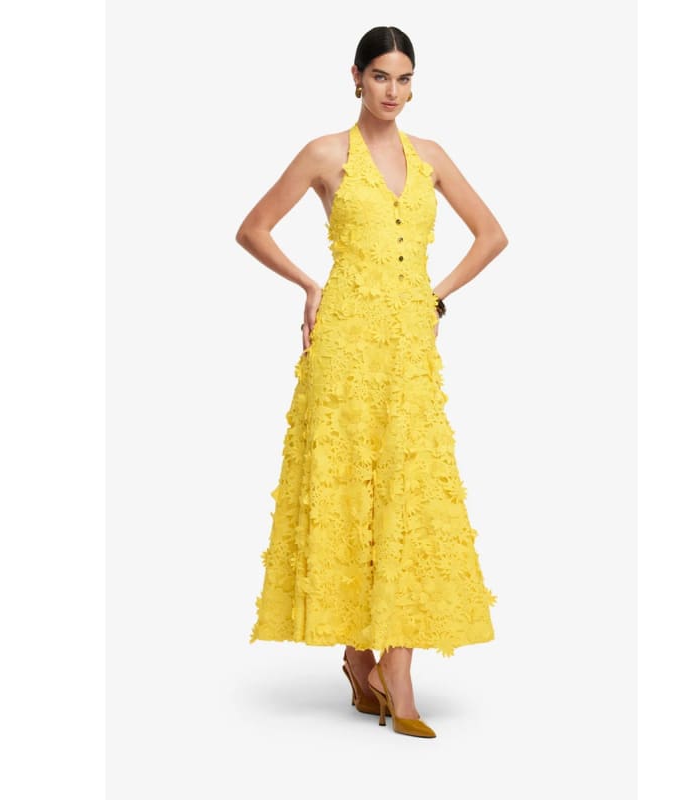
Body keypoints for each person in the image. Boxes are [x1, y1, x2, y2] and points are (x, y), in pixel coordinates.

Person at [235, 25, 508, 738]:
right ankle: (365, 662)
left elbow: (492, 235)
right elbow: (254, 228)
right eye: (381, 76)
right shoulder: (325, 154)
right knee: (350, 489)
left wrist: (434, 297)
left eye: (405, 78)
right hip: (344, 346)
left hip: (409, 348)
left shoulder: (432, 157)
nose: (394, 90)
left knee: (409, 494)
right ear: (355, 77)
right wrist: (309, 285)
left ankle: (394, 668)